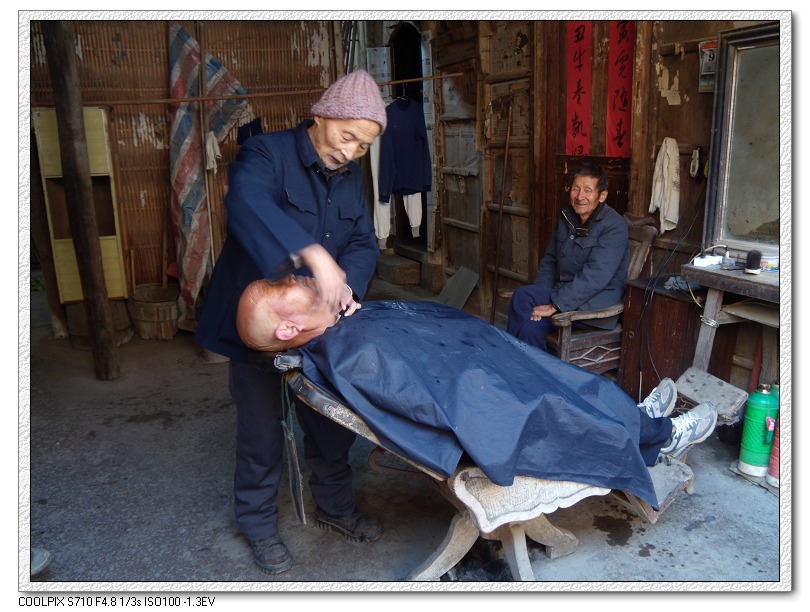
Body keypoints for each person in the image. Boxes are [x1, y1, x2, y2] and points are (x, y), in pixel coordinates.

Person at [236, 276, 718, 508]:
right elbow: (434, 402)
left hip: (480, 363)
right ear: (288, 329)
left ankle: (637, 420)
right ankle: (657, 436)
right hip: (485, 398)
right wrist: (478, 375)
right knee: (555, 396)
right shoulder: (351, 354)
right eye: (282, 286)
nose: (295, 276)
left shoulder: (342, 332)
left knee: (557, 376)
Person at [194, 70, 386, 575]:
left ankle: (335, 508)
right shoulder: (267, 153)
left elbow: (362, 241)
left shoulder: (350, 176)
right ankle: (259, 527)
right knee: (261, 432)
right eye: (347, 136)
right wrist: (310, 253)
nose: (350, 152)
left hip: (318, 325)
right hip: (263, 325)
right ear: (320, 115)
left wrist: (348, 287)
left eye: (363, 146)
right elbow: (245, 203)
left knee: (330, 423)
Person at [507, 162, 629, 352]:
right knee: (529, 328)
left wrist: (555, 305)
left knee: (522, 296)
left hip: (594, 305)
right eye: (575, 189)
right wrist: (541, 302)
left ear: (602, 195)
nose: (580, 197)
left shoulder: (614, 226)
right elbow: (550, 261)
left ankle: (506, 357)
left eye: (588, 191)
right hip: (565, 295)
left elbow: (595, 277)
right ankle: (533, 369)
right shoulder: (567, 217)